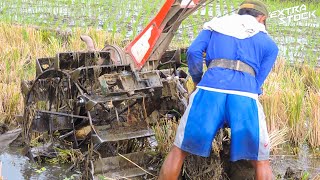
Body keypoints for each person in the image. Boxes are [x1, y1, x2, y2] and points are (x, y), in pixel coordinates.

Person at [158, 0, 278, 179]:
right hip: (245, 96)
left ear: (241, 13)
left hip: (210, 90)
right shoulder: (268, 43)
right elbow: (258, 79)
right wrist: (251, 89)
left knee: (179, 150)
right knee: (261, 160)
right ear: (262, 18)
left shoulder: (214, 27)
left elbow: (193, 52)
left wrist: (199, 80)